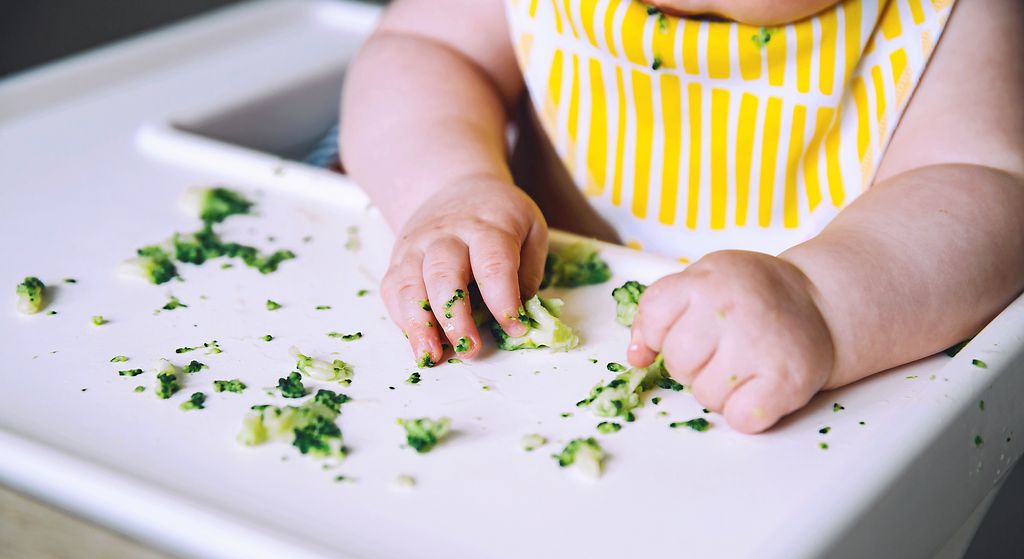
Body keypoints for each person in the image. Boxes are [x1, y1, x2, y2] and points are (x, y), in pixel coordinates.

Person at [339, 0, 1024, 433]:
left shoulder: (947, 18)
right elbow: (424, 52)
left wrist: (823, 299)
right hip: (538, 368)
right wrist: (451, 185)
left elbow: (990, 194)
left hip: (781, 419)